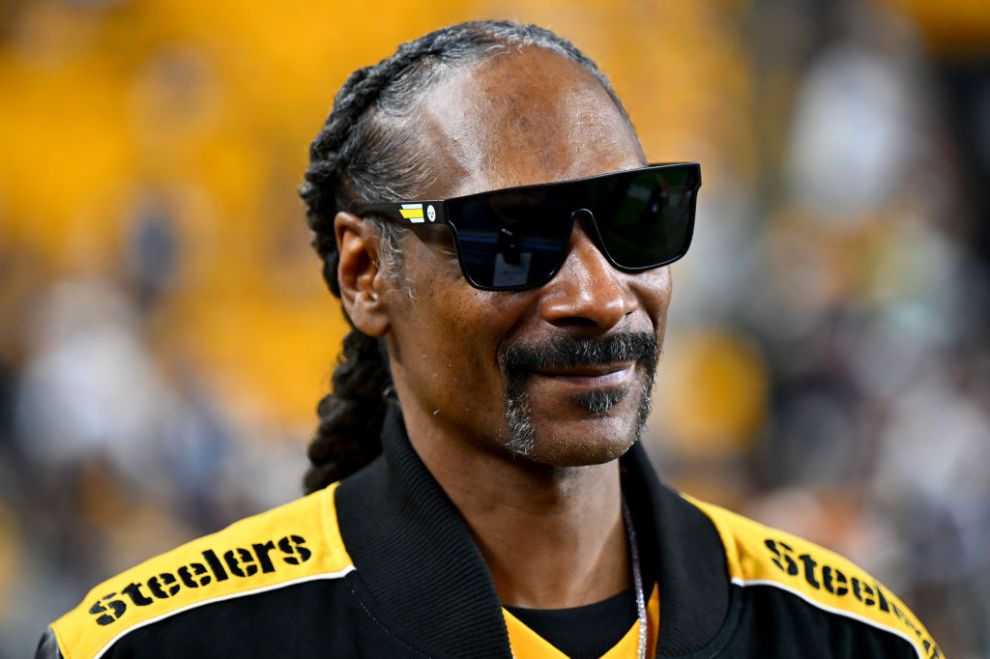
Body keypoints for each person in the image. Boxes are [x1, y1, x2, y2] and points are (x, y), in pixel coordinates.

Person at [37, 20, 941, 659]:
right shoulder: (157, 644)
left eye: (637, 217)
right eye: (510, 236)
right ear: (365, 273)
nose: (597, 294)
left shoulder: (856, 639)